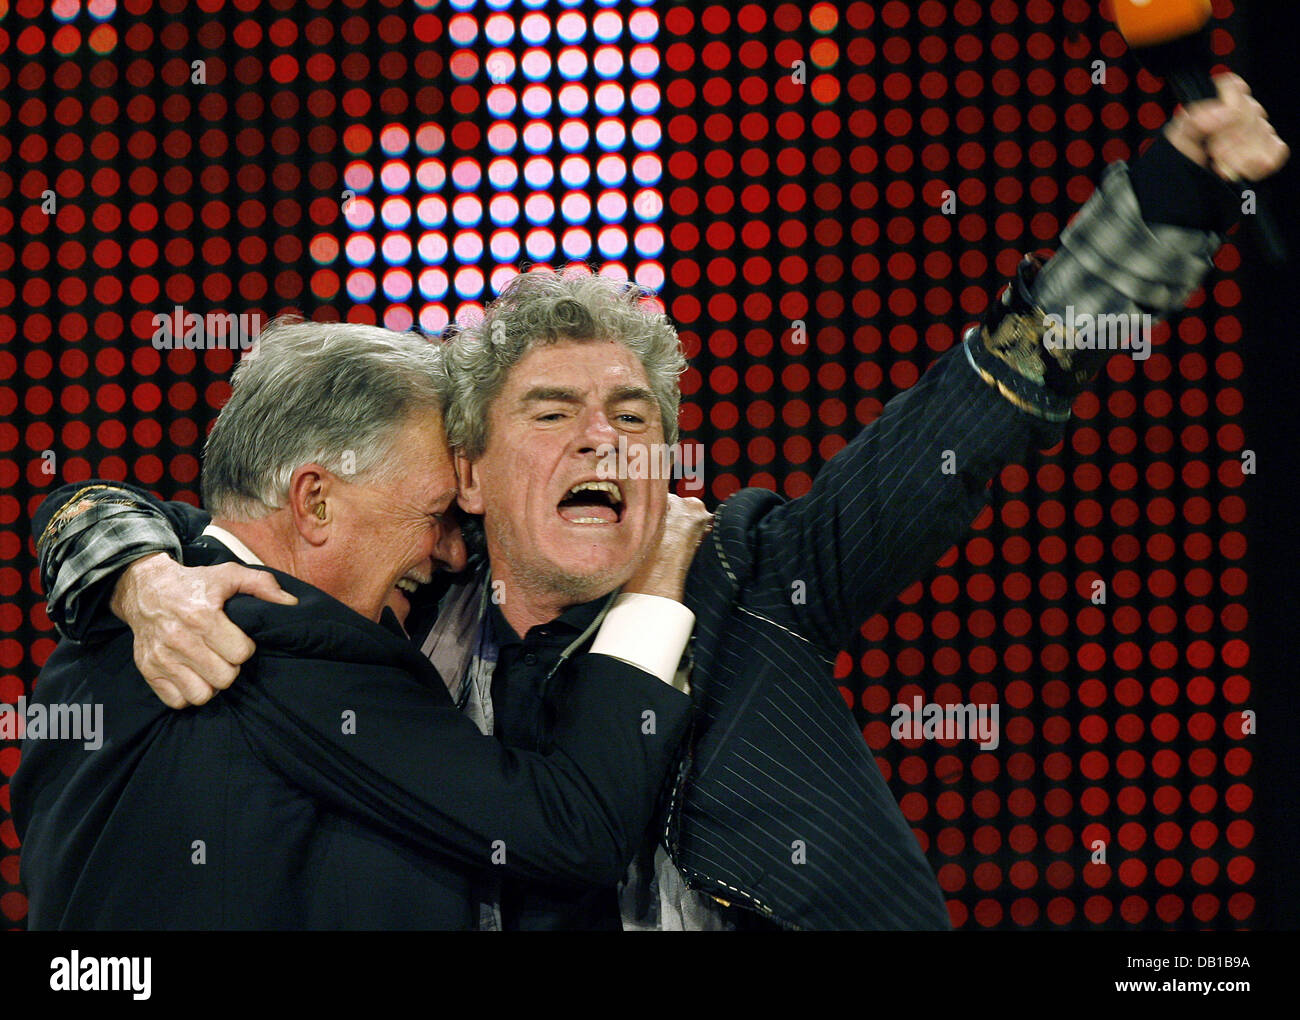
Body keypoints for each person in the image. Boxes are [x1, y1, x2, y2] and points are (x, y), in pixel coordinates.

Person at [32, 74, 1289, 929]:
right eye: (553, 412)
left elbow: (995, 389)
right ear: (466, 476)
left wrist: (1170, 198)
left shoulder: (755, 571)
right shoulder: (396, 635)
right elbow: (213, 530)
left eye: (634, 418)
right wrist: (129, 556)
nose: (604, 438)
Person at [12, 318, 708, 929]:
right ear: (314, 501)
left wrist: (131, 563)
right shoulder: (284, 640)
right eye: (436, 514)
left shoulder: (112, 625)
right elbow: (572, 826)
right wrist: (653, 587)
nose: (454, 551)